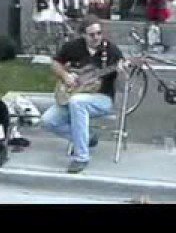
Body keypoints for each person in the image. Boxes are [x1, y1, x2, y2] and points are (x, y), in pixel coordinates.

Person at [40, 14, 127, 174]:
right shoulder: (73, 46)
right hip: (73, 94)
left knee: (77, 102)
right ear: (83, 35)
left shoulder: (112, 51)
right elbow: (55, 63)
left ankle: (81, 157)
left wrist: (122, 72)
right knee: (47, 121)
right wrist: (65, 76)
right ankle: (87, 138)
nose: (96, 37)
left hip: (102, 99)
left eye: (99, 33)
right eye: (92, 34)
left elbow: (121, 85)